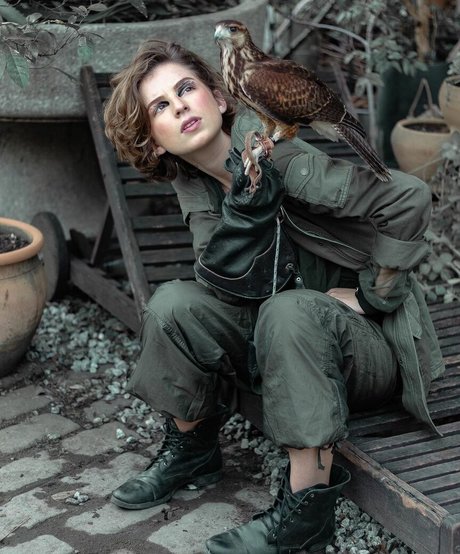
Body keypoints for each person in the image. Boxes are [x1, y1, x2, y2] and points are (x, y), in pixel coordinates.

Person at [103, 39, 445, 554]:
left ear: (220, 98)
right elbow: (220, 283)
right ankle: (193, 450)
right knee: (173, 305)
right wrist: (245, 217)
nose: (179, 107)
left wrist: (373, 298)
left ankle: (304, 514)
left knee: (288, 311)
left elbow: (409, 197)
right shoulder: (194, 181)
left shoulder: (279, 155)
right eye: (161, 106)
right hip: (280, 343)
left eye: (186, 88)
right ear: (154, 144)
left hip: (367, 348)